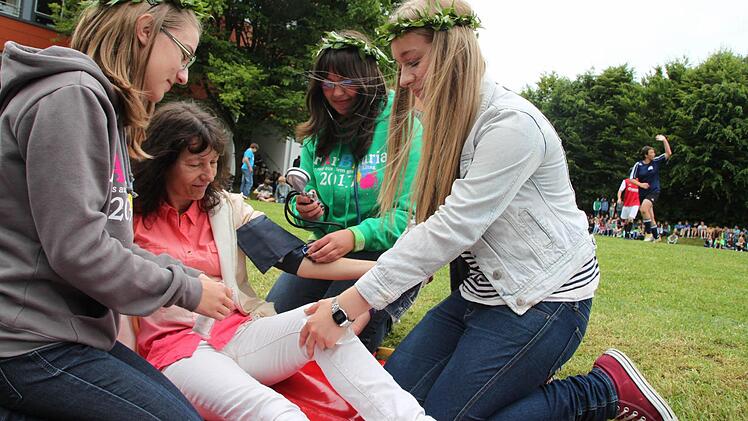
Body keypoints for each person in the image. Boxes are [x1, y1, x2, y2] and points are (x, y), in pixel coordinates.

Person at [300, 2, 678, 420]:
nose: (403, 80)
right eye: (400, 66)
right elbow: (421, 228)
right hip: (475, 296)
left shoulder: (511, 125)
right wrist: (370, 301)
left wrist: (347, 304)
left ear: (452, 52)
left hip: (543, 301)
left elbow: (453, 227)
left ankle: (602, 390)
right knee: (384, 406)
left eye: (413, 62)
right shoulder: (443, 124)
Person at [0, 1, 236, 418]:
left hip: (58, 332)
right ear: (146, 29)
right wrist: (187, 290)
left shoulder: (95, 104)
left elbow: (110, 242)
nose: (184, 75)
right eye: (183, 54)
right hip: (26, 343)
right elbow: (80, 250)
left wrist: (187, 275)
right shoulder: (71, 97)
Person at [128, 101, 432, 421]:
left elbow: (295, 259)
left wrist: (391, 272)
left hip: (238, 334)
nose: (208, 175)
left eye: (214, 162)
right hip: (177, 351)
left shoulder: (223, 209)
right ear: (162, 163)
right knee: (276, 412)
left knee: (326, 321)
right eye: (195, 164)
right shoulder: (128, 221)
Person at [265, 30, 423, 352]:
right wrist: (304, 208)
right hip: (327, 250)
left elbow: (407, 219)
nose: (335, 93)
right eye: (326, 82)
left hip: (383, 256)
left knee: (333, 338)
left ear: (367, 80)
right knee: (271, 325)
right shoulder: (316, 135)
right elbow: (303, 198)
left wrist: (352, 237)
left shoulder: (402, 125)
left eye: (346, 82)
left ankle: (387, 308)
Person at [629, 134, 673, 242]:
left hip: (654, 191)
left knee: (643, 209)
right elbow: (632, 179)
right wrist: (641, 185)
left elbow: (668, 153)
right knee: (650, 216)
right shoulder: (638, 165)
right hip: (643, 193)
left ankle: (648, 234)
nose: (654, 154)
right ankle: (657, 237)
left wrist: (664, 140)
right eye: (651, 152)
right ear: (646, 155)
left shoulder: (656, 161)